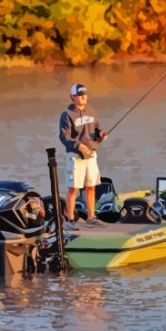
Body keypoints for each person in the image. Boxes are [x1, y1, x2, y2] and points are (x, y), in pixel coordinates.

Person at [59, 83, 108, 230]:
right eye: (79, 95)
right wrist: (79, 146)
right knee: (73, 189)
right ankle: (70, 221)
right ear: (72, 97)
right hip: (75, 156)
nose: (83, 97)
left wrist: (101, 134)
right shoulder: (66, 115)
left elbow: (96, 129)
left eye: (85, 94)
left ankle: (91, 217)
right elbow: (64, 137)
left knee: (91, 187)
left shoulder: (92, 111)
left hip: (91, 155)